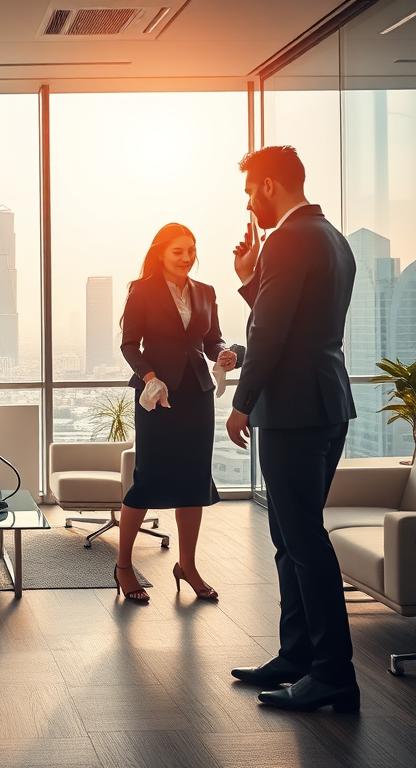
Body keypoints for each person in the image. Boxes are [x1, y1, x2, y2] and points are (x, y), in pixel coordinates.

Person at [227, 146, 359, 713]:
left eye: (250, 191)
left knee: (302, 540)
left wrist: (242, 403)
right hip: (326, 404)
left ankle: (332, 674)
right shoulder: (332, 237)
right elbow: (296, 318)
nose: (248, 204)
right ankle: (297, 656)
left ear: (270, 185)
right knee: (290, 538)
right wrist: (249, 280)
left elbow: (270, 334)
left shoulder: (287, 239)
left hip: (293, 411)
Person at [117, 223, 240, 604]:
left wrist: (223, 353)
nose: (187, 257)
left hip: (197, 395)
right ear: (161, 252)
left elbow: (211, 339)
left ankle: (187, 566)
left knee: (193, 480)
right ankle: (123, 566)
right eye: (178, 251)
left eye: (191, 250)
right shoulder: (142, 290)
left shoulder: (206, 292)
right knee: (148, 479)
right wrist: (150, 377)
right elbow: (129, 344)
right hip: (157, 395)